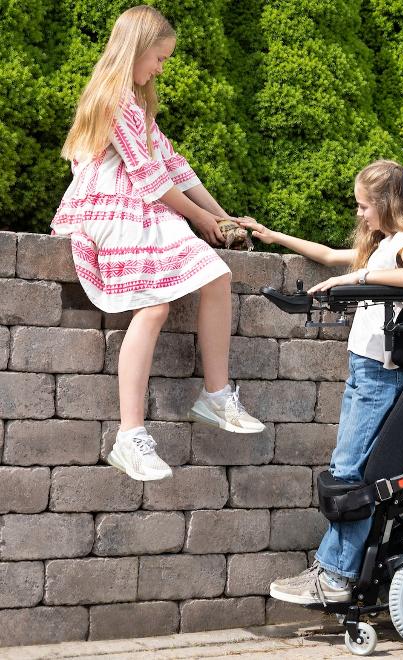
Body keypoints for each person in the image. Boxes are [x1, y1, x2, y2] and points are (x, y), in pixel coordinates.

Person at [52, 5, 264, 482]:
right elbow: (150, 179)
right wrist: (203, 218)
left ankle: (214, 394)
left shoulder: (136, 105)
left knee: (216, 276)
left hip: (146, 208)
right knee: (153, 308)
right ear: (136, 48)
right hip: (114, 208)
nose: (161, 68)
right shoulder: (112, 100)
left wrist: (221, 217)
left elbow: (174, 166)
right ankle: (130, 435)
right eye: (159, 57)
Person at [236, 159, 403, 605]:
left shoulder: (402, 241)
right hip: (366, 371)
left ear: (386, 203)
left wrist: (355, 277)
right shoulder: (382, 244)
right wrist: (272, 235)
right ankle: (333, 569)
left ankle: (336, 577)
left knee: (350, 473)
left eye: (364, 206)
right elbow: (325, 255)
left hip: (377, 374)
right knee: (349, 469)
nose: (359, 214)